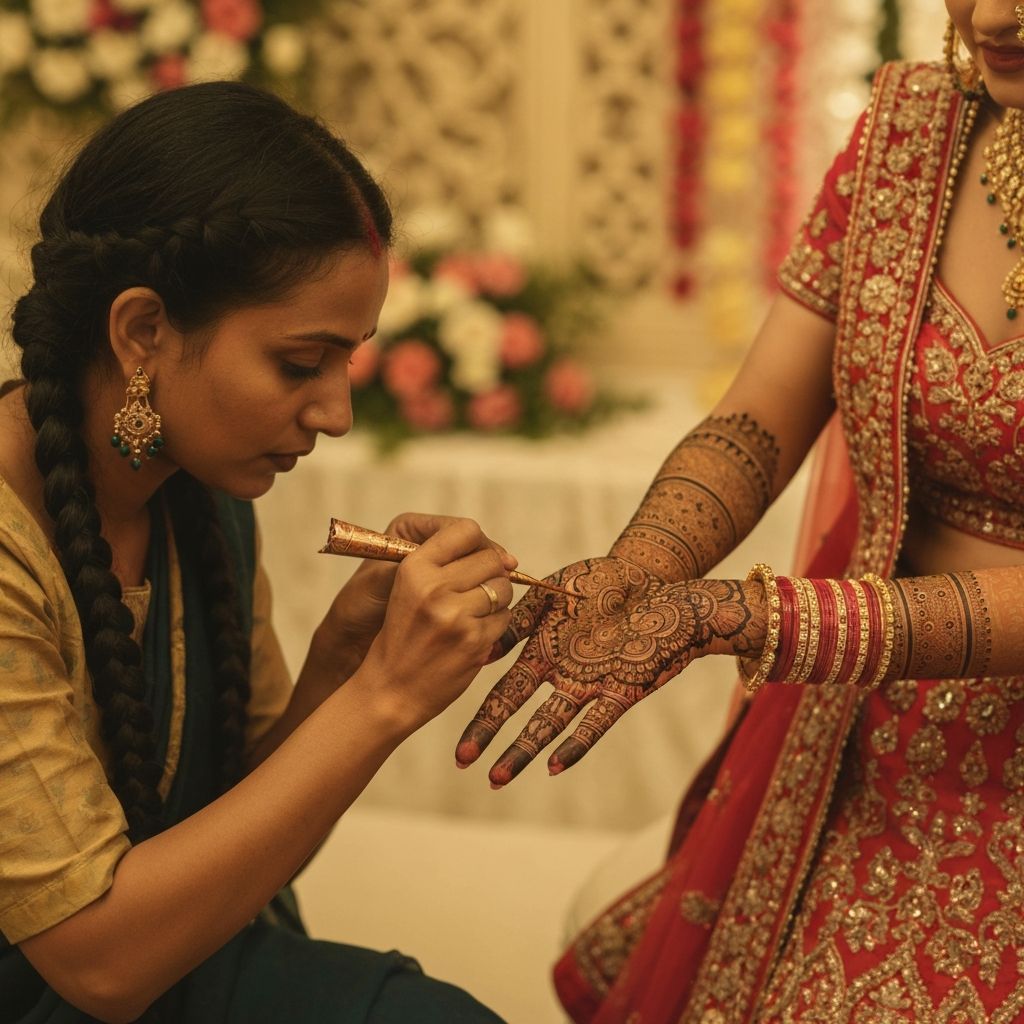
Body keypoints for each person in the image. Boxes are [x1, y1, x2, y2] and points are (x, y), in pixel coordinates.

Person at [454, 2, 1024, 1021]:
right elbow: (760, 414)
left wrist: (742, 616)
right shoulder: (908, 130)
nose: (992, 14)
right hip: (861, 738)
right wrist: (641, 565)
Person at [0, 81, 514, 1023]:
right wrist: (385, 696)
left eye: (349, 361)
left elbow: (235, 846)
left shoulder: (196, 502)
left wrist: (337, 667)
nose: (337, 415)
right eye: (299, 363)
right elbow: (98, 963)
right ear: (143, 330)